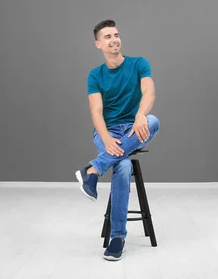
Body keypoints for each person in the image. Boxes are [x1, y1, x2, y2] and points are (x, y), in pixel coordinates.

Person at [75, 19, 160, 262]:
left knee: (154, 121)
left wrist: (141, 115)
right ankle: (118, 238)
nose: (114, 40)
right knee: (122, 165)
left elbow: (149, 92)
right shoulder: (95, 75)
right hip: (108, 131)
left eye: (116, 35)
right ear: (98, 44)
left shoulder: (138, 64)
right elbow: (96, 113)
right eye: (108, 37)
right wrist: (105, 138)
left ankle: (93, 169)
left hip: (135, 127)